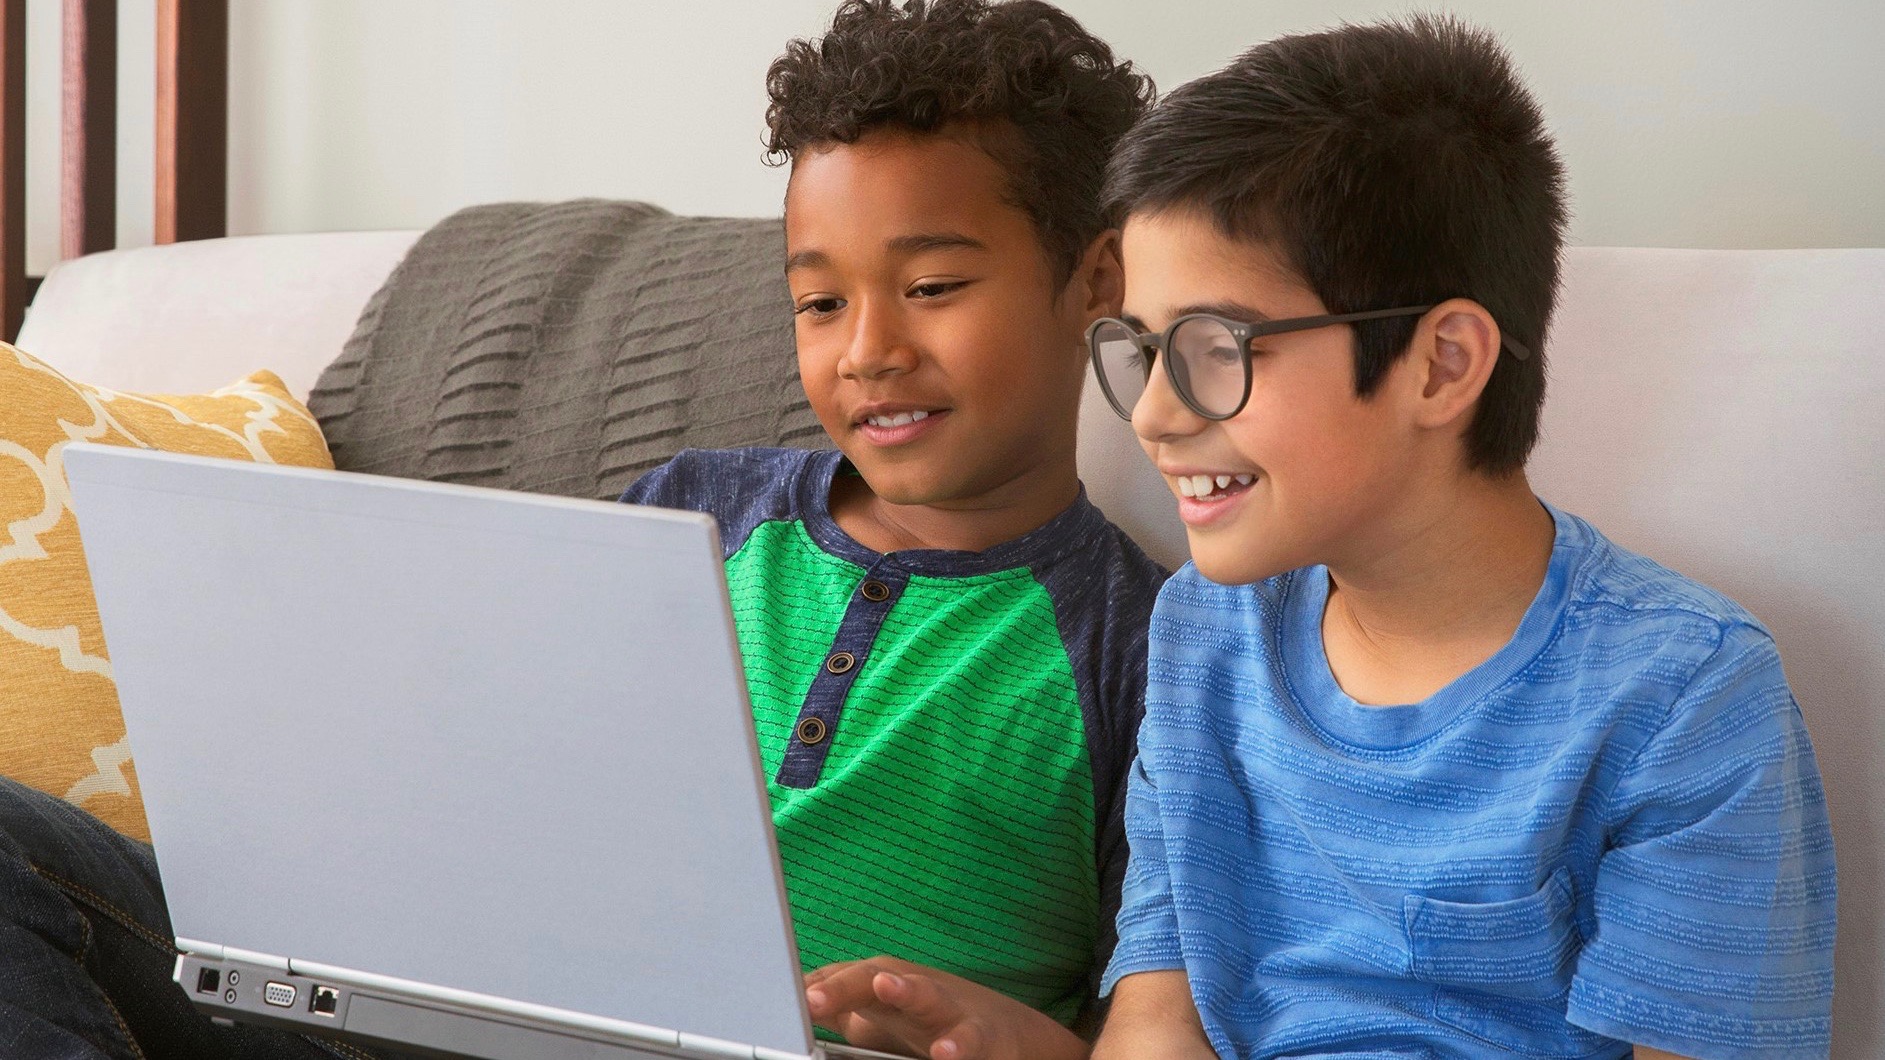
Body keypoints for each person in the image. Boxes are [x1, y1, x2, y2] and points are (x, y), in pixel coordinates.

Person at [0, 2, 1161, 1058]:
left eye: (934, 287)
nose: (866, 350)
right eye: (819, 301)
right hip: (445, 1012)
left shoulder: (1144, 643)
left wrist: (1030, 1047)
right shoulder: (693, 510)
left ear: (1096, 277)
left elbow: (1159, 1014)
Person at [1081, 16, 1836, 1060]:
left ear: (1440, 365)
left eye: (1215, 348)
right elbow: (1157, 1009)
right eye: (1141, 350)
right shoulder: (1202, 632)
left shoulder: (1683, 700)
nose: (1155, 415)